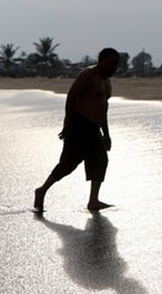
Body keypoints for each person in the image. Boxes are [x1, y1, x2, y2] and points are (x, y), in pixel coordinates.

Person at [34, 47, 120, 212]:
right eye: (111, 64)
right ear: (101, 60)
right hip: (80, 126)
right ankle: (42, 190)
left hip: (95, 129)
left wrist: (106, 134)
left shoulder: (106, 81)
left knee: (101, 161)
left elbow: (103, 108)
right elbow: (71, 96)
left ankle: (93, 201)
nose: (114, 68)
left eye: (116, 65)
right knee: (68, 164)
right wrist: (68, 123)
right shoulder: (88, 75)